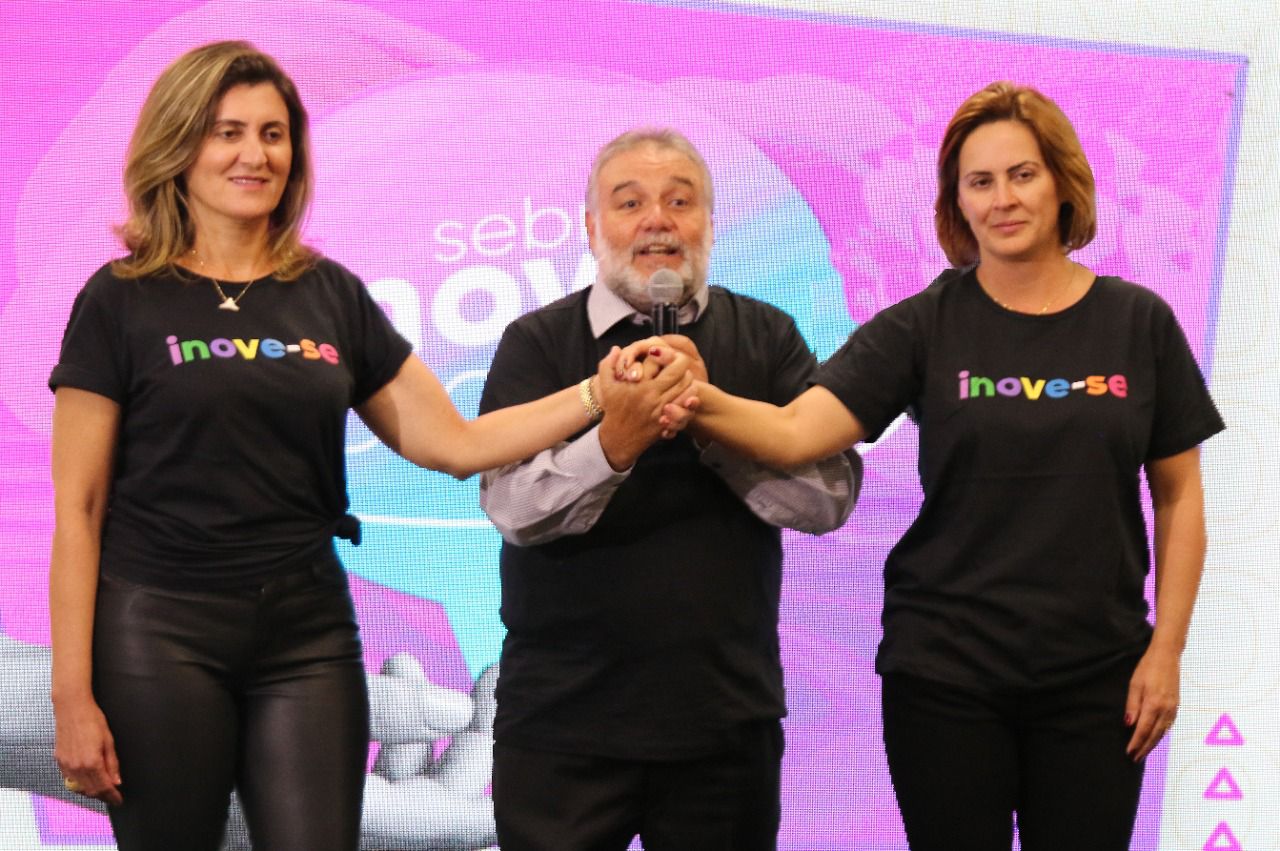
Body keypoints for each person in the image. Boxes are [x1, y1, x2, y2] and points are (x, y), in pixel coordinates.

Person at [47, 42, 692, 851]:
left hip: (305, 633)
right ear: (179, 146)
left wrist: (598, 392)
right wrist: (71, 694)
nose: (256, 155)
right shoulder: (120, 300)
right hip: (159, 632)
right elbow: (80, 509)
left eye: (274, 134)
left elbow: (454, 442)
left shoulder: (328, 293)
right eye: (228, 133)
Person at [633, 82, 1225, 850]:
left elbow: (1180, 496)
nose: (1002, 199)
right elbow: (795, 432)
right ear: (957, 203)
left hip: (1097, 677)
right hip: (945, 677)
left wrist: (1166, 650)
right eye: (979, 182)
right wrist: (697, 394)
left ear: (1061, 183)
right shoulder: (925, 323)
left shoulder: (1138, 321)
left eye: (1022, 174)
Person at [476, 128, 860, 851]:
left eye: (680, 202)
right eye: (630, 203)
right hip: (561, 726)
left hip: (723, 723)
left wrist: (714, 422)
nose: (658, 220)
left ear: (710, 224)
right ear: (591, 227)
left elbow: (828, 500)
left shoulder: (766, 335)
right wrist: (613, 445)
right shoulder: (536, 341)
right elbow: (512, 509)